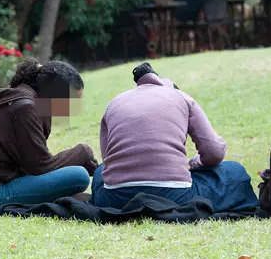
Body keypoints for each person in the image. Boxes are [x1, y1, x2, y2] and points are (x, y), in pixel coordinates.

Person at [92, 62, 258, 212]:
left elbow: (108, 161)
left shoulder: (114, 103)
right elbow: (214, 153)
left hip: (114, 198)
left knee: (100, 170)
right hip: (174, 195)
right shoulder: (182, 97)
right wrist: (196, 162)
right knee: (234, 170)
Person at [0, 58, 98, 215]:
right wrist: (81, 153)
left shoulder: (26, 100)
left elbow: (33, 164)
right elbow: (40, 166)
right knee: (78, 176)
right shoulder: (25, 107)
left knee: (73, 174)